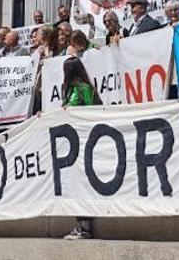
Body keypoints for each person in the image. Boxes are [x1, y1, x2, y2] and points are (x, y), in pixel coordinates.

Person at [61, 57, 102, 240]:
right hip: (73, 144)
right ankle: (79, 225)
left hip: (86, 142)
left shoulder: (84, 89)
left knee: (83, 185)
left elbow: (91, 111)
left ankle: (85, 227)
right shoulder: (70, 90)